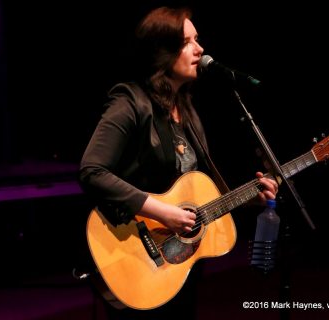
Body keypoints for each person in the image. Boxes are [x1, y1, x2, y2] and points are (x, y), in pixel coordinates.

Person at [78, 6, 279, 319]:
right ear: (162, 51)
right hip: (134, 256)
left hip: (177, 269)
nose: (200, 49)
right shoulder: (130, 102)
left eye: (198, 40)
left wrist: (253, 198)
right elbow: (92, 171)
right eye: (188, 42)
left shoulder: (186, 112)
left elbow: (201, 199)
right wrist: (164, 212)